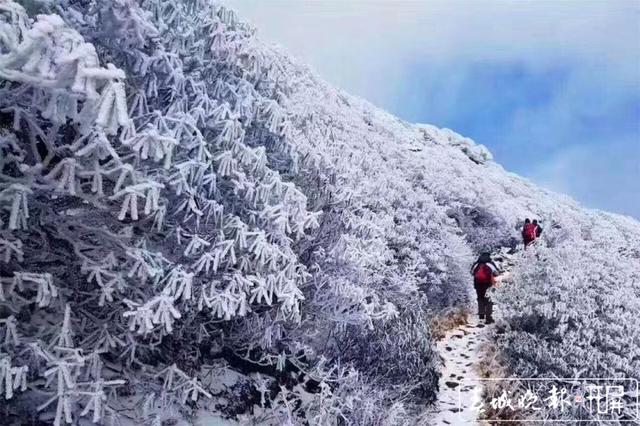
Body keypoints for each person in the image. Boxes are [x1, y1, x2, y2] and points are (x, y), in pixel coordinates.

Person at [470, 252, 499, 324]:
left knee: (480, 299)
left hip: (478, 284)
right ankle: (488, 318)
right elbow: (496, 273)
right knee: (489, 299)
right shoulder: (490, 264)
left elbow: (472, 272)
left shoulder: (477, 264)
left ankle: (481, 317)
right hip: (488, 284)